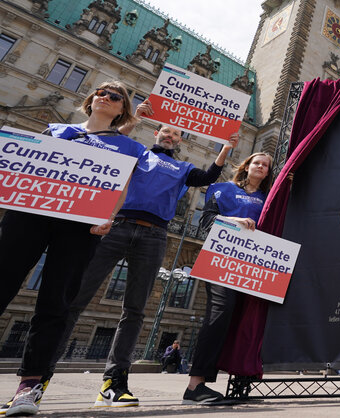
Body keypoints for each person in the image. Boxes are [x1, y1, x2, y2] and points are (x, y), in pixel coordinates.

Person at [49, 101, 239, 408]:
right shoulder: (138, 152)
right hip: (117, 225)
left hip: (155, 234)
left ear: (181, 141)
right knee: (76, 298)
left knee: (135, 310)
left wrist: (226, 148)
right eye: (166, 131)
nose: (170, 136)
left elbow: (207, 178)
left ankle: (114, 382)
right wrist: (135, 118)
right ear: (156, 133)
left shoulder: (182, 167)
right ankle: (40, 373)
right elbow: (109, 143)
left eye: (176, 134)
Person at [0, 81, 147, 417]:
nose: (106, 97)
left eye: (116, 97)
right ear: (90, 99)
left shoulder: (127, 146)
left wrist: (109, 216)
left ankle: (29, 388)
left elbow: (121, 185)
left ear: (122, 109)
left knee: (56, 301)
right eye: (102, 92)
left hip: (81, 224)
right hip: (29, 213)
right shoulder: (58, 129)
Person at [182, 152, 273, 404]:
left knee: (246, 320)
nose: (261, 167)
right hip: (222, 259)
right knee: (220, 313)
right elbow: (206, 221)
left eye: (266, 165)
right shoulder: (222, 189)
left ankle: (241, 383)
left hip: (254, 264)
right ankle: (195, 385)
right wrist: (233, 220)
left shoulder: (268, 199)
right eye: (257, 162)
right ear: (246, 166)